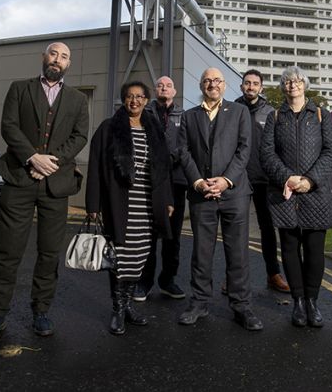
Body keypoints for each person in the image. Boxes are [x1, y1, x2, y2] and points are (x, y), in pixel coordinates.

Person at [0, 42, 89, 343]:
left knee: (49, 253)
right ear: (44, 58)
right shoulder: (19, 88)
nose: (58, 59)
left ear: (69, 64)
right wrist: (32, 157)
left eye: (64, 56)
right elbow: (9, 126)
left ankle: (41, 311)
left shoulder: (78, 100)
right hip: (19, 179)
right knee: (8, 251)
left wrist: (52, 162)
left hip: (56, 184)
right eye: (54, 54)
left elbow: (80, 136)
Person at [176, 67, 262, 331]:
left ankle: (241, 306)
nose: (212, 84)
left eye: (217, 81)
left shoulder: (239, 112)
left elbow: (244, 149)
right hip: (202, 193)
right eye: (207, 81)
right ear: (201, 85)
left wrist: (225, 180)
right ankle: (199, 301)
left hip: (234, 193)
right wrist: (199, 182)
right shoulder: (189, 116)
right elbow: (183, 151)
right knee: (201, 252)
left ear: (225, 86)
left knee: (237, 252)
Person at [85, 81, 174, 335]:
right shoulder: (109, 128)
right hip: (119, 202)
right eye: (129, 97)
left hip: (147, 204)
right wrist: (93, 204)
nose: (134, 101)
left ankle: (127, 307)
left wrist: (167, 200)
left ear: (147, 100)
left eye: (139, 96)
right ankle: (118, 309)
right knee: (119, 258)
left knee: (140, 257)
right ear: (123, 100)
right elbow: (94, 167)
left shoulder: (153, 129)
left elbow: (163, 167)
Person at [261, 66, 332, 328]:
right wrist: (288, 178)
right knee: (290, 250)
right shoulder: (275, 116)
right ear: (283, 87)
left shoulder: (321, 114)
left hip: (316, 194)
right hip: (285, 195)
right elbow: (267, 154)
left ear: (304, 85)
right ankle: (297, 302)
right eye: (287, 82)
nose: (292, 85)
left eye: (296, 81)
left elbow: (331, 152)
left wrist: (309, 180)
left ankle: (312, 302)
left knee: (315, 251)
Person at [235, 69, 290, 293]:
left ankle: (273, 274)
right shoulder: (232, 109)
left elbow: (279, 147)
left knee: (267, 229)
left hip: (264, 180)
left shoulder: (271, 113)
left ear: (261, 87)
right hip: (238, 179)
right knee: (236, 230)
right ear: (241, 86)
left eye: (255, 83)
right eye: (247, 83)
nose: (250, 87)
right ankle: (234, 277)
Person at [135, 75, 188, 301]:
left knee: (173, 235)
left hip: (176, 181)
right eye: (159, 85)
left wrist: (168, 157)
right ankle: (144, 282)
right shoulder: (145, 114)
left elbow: (187, 144)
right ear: (154, 91)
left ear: (174, 91)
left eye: (168, 85)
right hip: (150, 181)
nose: (164, 88)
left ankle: (168, 280)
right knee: (149, 234)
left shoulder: (184, 115)